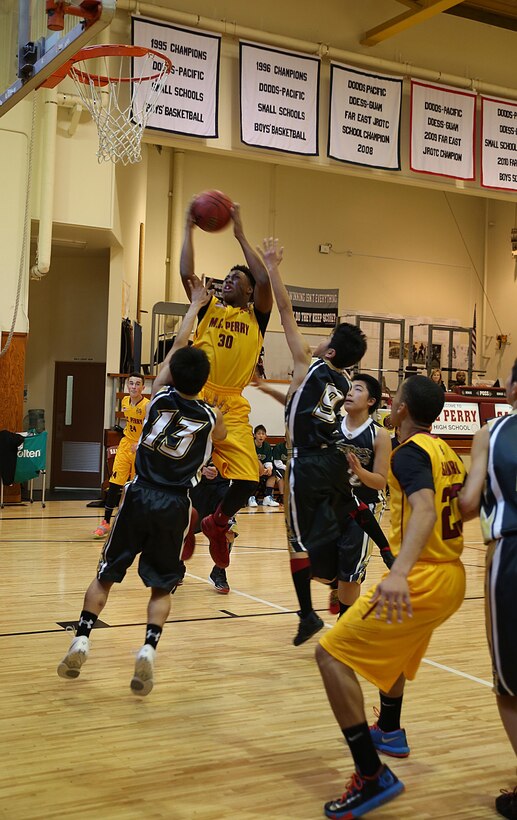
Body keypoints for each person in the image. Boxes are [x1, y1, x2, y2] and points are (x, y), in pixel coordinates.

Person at [57, 281, 227, 696]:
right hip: (174, 504)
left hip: (139, 493)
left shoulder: (155, 399)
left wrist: (194, 307)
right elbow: (219, 437)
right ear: (203, 381)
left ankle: (81, 639)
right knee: (161, 585)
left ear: (173, 375)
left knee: (106, 574)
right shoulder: (211, 416)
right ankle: (148, 650)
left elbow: (173, 357)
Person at [315, 376, 466, 818]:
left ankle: (370, 773)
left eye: (394, 399)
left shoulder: (408, 454)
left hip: (422, 576)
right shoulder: (447, 453)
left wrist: (398, 572)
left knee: (330, 657)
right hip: (451, 576)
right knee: (395, 654)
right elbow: (460, 505)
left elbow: (422, 507)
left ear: (400, 410)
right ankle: (392, 729)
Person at [257, 238, 367, 647]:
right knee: (329, 531)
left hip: (305, 462)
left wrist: (273, 267)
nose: (316, 341)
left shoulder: (309, 363)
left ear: (331, 348)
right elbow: (297, 405)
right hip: (333, 463)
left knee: (297, 539)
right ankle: (341, 588)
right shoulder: (342, 382)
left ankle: (307, 616)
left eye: (325, 339)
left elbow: (284, 309)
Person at [180, 200, 272, 570]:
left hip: (232, 405)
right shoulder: (207, 306)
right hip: (197, 397)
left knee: (249, 479)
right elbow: (187, 274)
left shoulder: (256, 318)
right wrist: (187, 227)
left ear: (249, 293)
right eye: (228, 278)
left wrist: (239, 234)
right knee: (180, 478)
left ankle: (217, 524)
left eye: (238, 281)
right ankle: (183, 533)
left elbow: (265, 280)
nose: (229, 281)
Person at [458, 360, 517, 820]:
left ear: (512, 388)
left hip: (512, 555)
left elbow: (469, 503)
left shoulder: (492, 433)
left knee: (510, 682)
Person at [333, 374, 393, 617]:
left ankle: (344, 626)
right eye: (349, 389)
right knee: (324, 567)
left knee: (350, 572)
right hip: (333, 504)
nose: (350, 393)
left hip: (365, 508)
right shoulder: (331, 426)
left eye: (358, 389)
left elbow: (380, 482)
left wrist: (359, 471)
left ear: (371, 401)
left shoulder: (379, 435)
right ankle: (337, 585)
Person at [93, 373, 149, 539]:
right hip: (125, 445)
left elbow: (152, 427)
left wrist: (141, 443)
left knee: (137, 487)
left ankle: (138, 524)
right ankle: (105, 522)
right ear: (127, 386)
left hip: (140, 448)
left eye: (137, 384)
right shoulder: (124, 401)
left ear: (143, 388)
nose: (133, 386)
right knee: (115, 482)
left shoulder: (147, 405)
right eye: (131, 383)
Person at [189, 462, 239, 594]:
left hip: (223, 485)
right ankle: (177, 566)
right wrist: (200, 469)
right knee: (183, 530)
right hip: (195, 484)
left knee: (229, 529)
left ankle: (219, 571)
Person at [248, 424, 280, 507]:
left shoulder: (267, 446)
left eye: (263, 434)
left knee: (273, 473)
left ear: (266, 436)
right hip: (250, 468)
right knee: (253, 473)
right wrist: (260, 469)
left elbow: (268, 460)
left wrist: (268, 468)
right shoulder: (250, 445)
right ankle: (251, 497)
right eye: (258, 434)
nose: (261, 436)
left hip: (262, 469)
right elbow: (248, 460)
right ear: (254, 435)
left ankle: (267, 497)